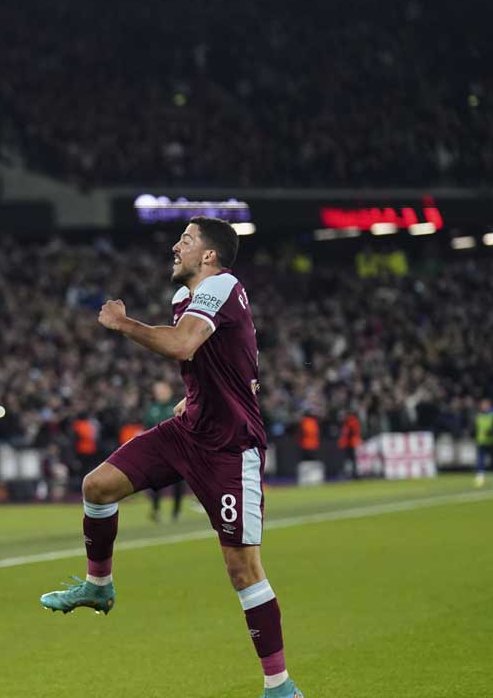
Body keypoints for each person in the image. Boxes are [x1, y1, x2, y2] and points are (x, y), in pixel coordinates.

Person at [38, 218, 304, 698]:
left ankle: (280, 686)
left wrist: (122, 324)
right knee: (97, 487)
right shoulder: (188, 299)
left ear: (208, 255)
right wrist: (194, 397)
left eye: (186, 240)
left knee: (242, 568)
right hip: (189, 431)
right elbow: (219, 358)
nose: (175, 246)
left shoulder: (222, 283)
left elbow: (183, 344)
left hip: (229, 447)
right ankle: (99, 586)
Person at [143, 380, 184, 522]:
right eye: (158, 391)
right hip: (158, 452)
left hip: (177, 451)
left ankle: (176, 511)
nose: (160, 393)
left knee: (179, 483)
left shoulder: (176, 406)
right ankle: (155, 510)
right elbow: (146, 430)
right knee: (155, 482)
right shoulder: (151, 409)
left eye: (162, 390)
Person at [473, 399, 493, 487]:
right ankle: (480, 478)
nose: (484, 406)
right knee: (480, 460)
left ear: (489, 405)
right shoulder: (478, 415)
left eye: (485, 404)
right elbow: (476, 427)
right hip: (481, 441)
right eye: (483, 405)